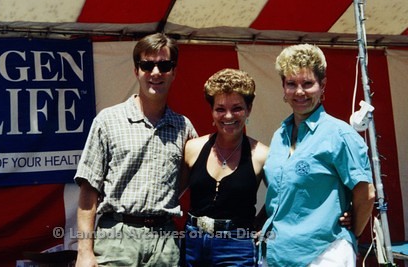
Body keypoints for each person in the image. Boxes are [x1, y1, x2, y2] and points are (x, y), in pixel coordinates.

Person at [74, 33, 197, 267]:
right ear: (136, 71)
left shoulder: (184, 127)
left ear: (174, 71)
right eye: (147, 65)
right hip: (116, 238)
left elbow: (186, 179)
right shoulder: (108, 121)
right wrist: (84, 252)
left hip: (165, 242)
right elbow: (89, 190)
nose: (156, 72)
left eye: (164, 65)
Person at [259, 44, 376, 267]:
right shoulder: (279, 135)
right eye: (291, 84)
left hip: (324, 253)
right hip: (276, 253)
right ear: (283, 88)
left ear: (322, 86)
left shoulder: (339, 134)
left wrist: (352, 231)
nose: (299, 92)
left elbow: (366, 193)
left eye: (308, 84)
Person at [181, 68, 269, 266]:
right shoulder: (193, 148)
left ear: (249, 109)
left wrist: (261, 223)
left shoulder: (262, 154)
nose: (228, 116)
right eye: (220, 109)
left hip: (237, 247)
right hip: (192, 244)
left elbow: (282, 198)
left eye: (237, 108)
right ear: (211, 112)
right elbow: (171, 193)